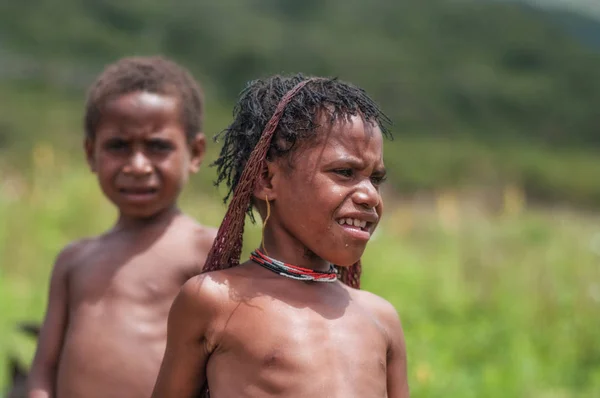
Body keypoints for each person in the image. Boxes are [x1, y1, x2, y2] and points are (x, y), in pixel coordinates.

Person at [151, 74, 410, 398]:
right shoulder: (214, 301)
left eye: (376, 178)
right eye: (345, 172)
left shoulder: (380, 318)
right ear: (266, 179)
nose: (369, 195)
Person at [26, 56, 217, 398]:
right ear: (90, 153)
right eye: (118, 146)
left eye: (158, 146)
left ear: (195, 152)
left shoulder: (204, 248)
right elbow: (44, 368)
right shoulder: (74, 260)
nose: (138, 166)